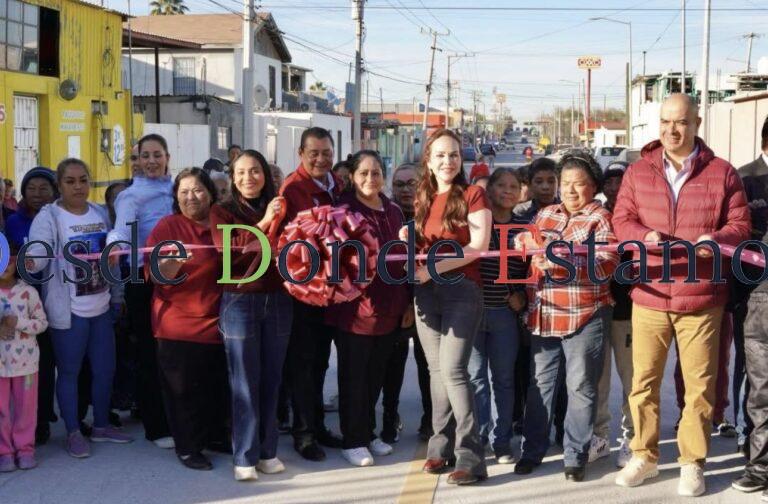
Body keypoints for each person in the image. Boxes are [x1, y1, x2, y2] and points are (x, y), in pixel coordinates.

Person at [613, 93, 750, 497]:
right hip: (650, 292)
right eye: (665, 122)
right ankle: (645, 455)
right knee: (643, 382)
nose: (672, 130)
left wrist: (717, 239)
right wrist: (644, 237)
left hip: (702, 296)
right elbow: (622, 220)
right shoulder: (638, 172)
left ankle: (692, 462)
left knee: (699, 386)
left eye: (681, 123)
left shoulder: (723, 173)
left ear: (697, 124)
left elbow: (740, 223)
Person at [514, 153, 618, 482]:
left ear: (594, 187)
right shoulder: (545, 213)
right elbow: (525, 242)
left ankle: (575, 455)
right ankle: (533, 450)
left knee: (581, 387)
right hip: (544, 314)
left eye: (580, 184)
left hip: (585, 313)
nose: (572, 190)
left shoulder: (600, 218)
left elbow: (606, 262)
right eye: (567, 183)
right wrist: (526, 244)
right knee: (539, 385)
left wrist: (560, 264)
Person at [27, 158, 133, 458]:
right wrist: (34, 260)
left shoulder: (99, 212)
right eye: (70, 181)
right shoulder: (49, 217)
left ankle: (100, 426)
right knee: (70, 372)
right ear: (59, 185)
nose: (78, 186)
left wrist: (117, 296)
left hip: (101, 307)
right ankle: (73, 431)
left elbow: (113, 251)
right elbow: (38, 250)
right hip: (69, 311)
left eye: (83, 180)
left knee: (104, 370)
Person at [405, 128, 491, 485]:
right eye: (440, 155)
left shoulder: (472, 195)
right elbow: (423, 235)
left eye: (454, 154)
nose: (448, 161)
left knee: (454, 370)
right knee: (436, 372)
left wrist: (432, 270)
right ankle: (439, 450)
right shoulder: (423, 196)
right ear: (428, 160)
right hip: (427, 294)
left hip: (461, 290)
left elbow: (478, 246)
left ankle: (471, 455)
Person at [210, 150, 291, 481]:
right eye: (241, 172)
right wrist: (264, 223)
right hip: (239, 300)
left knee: (272, 378)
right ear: (232, 177)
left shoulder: (280, 205)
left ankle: (268, 451)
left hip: (279, 299)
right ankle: (244, 455)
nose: (249, 178)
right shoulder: (221, 211)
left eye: (255, 171)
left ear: (266, 175)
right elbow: (228, 248)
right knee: (244, 380)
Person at [325, 150, 410, 467]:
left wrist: (406, 302)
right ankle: (353, 439)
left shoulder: (393, 210)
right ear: (353, 176)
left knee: (376, 375)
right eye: (364, 173)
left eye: (376, 173)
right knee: (354, 377)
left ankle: (368, 432)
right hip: (355, 308)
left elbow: (404, 260)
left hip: (390, 306)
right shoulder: (344, 210)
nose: (370, 179)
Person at [145, 168, 228, 471]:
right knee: (182, 392)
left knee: (215, 387)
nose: (190, 197)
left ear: (211, 192)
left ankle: (215, 437)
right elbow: (155, 274)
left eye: (197, 190)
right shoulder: (168, 226)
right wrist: (171, 264)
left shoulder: (224, 222)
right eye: (183, 192)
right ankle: (188, 447)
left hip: (219, 321)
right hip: (178, 325)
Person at [107, 133, 174, 449]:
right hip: (142, 279)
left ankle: (180, 416)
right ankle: (157, 426)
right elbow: (120, 230)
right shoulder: (130, 197)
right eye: (144, 155)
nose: (150, 161)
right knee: (150, 352)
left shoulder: (177, 189)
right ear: (136, 161)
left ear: (167, 157)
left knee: (178, 351)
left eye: (156, 154)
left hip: (178, 276)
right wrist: (114, 247)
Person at [280, 127, 343, 461]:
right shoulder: (293, 189)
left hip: (333, 290)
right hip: (304, 290)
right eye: (314, 153)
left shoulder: (337, 184)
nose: (321, 159)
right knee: (302, 364)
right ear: (301, 154)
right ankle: (303, 434)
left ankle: (317, 426)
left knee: (321, 362)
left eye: (326, 153)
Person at [467, 167, 527, 465]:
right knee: (476, 379)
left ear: (520, 193)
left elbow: (530, 271)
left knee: (503, 380)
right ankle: (477, 440)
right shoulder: (476, 224)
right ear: (487, 190)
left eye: (513, 185)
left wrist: (522, 295)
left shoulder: (525, 228)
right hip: (473, 315)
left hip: (504, 315)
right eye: (500, 185)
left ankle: (502, 442)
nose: (506, 190)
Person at [3, 167, 57, 444]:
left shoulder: (60, 216)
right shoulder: (12, 222)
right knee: (27, 366)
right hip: (22, 302)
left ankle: (44, 417)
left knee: (46, 365)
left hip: (54, 299)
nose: (37, 194)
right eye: (31, 188)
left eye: (44, 188)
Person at [380, 163, 433, 443]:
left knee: (427, 366)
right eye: (399, 184)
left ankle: (430, 419)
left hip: (428, 300)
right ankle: (390, 418)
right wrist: (403, 304)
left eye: (410, 184)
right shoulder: (388, 215)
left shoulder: (431, 214)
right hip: (395, 302)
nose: (404, 190)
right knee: (393, 365)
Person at [731, 115, 768, 494]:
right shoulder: (743, 180)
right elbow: (732, 241)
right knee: (760, 386)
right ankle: (757, 461)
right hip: (756, 298)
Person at [590, 168, 635, 468]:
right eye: (610, 181)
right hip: (597, 310)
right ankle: (599, 436)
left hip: (629, 312)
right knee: (598, 381)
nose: (615, 186)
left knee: (632, 380)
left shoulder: (637, 216)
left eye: (621, 181)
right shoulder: (596, 217)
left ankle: (632, 438)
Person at [0, 245, 48, 472]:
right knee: (1, 410)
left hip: (26, 364)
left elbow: (41, 323)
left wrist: (18, 323)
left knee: (26, 409)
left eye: (8, 260)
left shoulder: (28, 292)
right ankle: (4, 452)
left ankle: (25, 449)